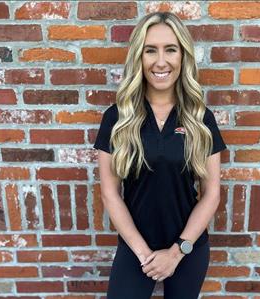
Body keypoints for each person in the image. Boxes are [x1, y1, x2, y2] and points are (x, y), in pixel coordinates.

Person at [93, 11, 227, 299]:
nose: (161, 61)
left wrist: (177, 252)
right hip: (135, 247)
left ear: (183, 56)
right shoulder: (117, 118)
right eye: (150, 50)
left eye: (171, 49)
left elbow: (211, 193)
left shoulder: (200, 119)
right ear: (138, 57)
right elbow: (110, 194)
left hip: (188, 248)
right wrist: (145, 255)